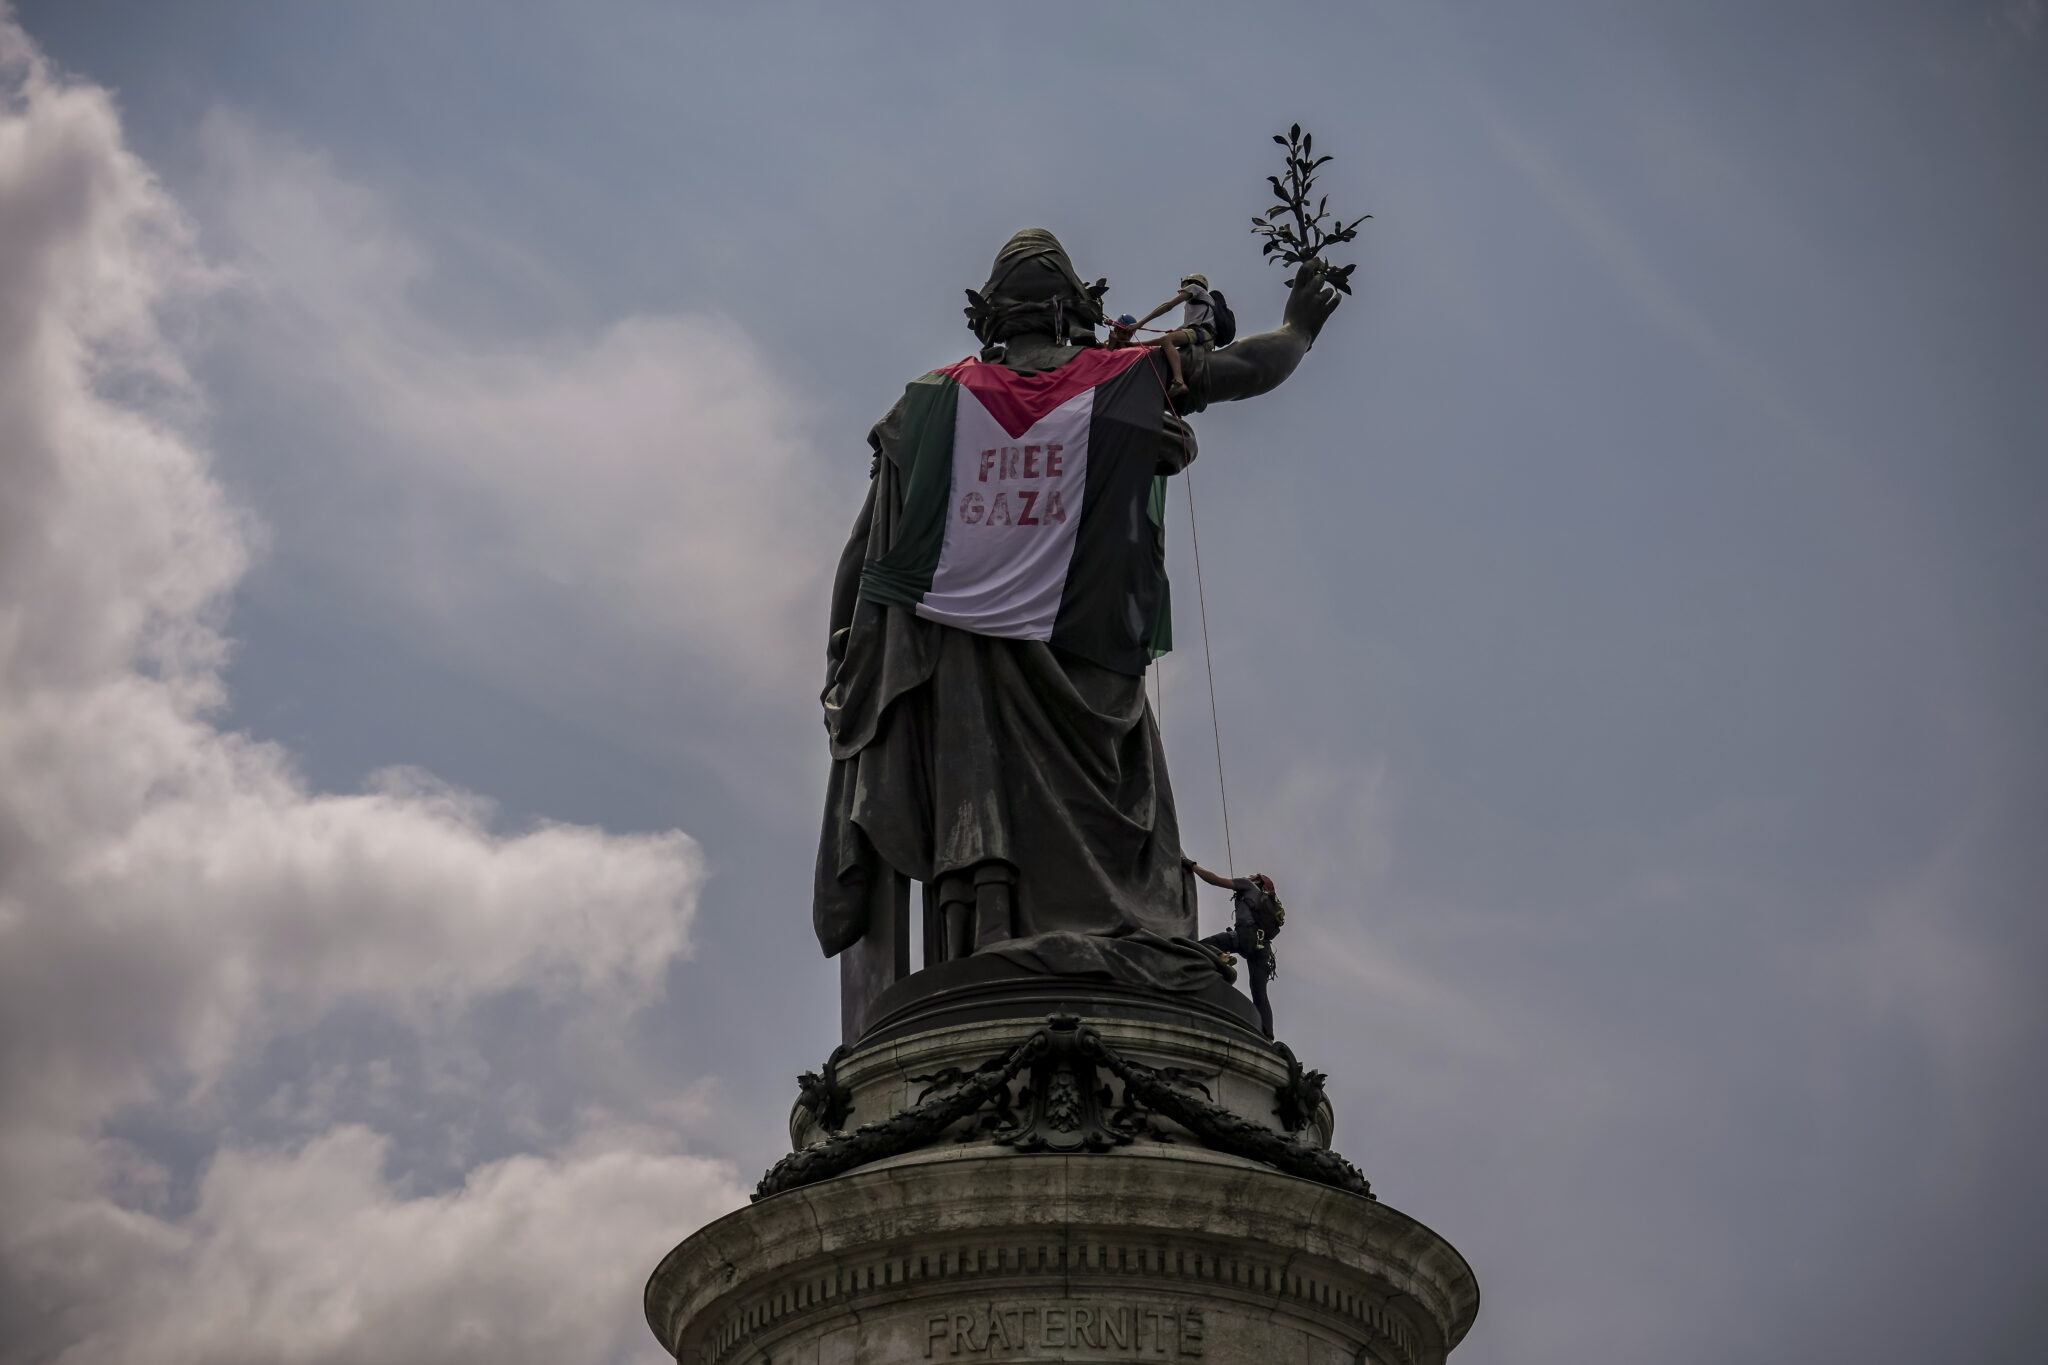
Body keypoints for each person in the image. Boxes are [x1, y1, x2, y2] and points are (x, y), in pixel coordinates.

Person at [1187, 861, 1283, 1038]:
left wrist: (1194, 867)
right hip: (1263, 948)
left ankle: (1220, 955)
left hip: (1244, 937)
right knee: (1259, 993)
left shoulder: (1247, 886)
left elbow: (1215, 880)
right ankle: (1268, 1037)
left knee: (1204, 945)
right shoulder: (1264, 903)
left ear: (1258, 881)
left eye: (1253, 876)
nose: (1249, 876)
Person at [1114, 273, 1217, 400]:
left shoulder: (1195, 288)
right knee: (1166, 341)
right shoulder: (1199, 303)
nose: (1182, 290)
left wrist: (1140, 323)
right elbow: (1184, 327)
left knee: (1167, 340)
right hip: (1202, 334)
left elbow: (1168, 306)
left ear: (1190, 283)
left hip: (1202, 333)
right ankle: (1135, 346)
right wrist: (1133, 345)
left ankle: (1179, 381)